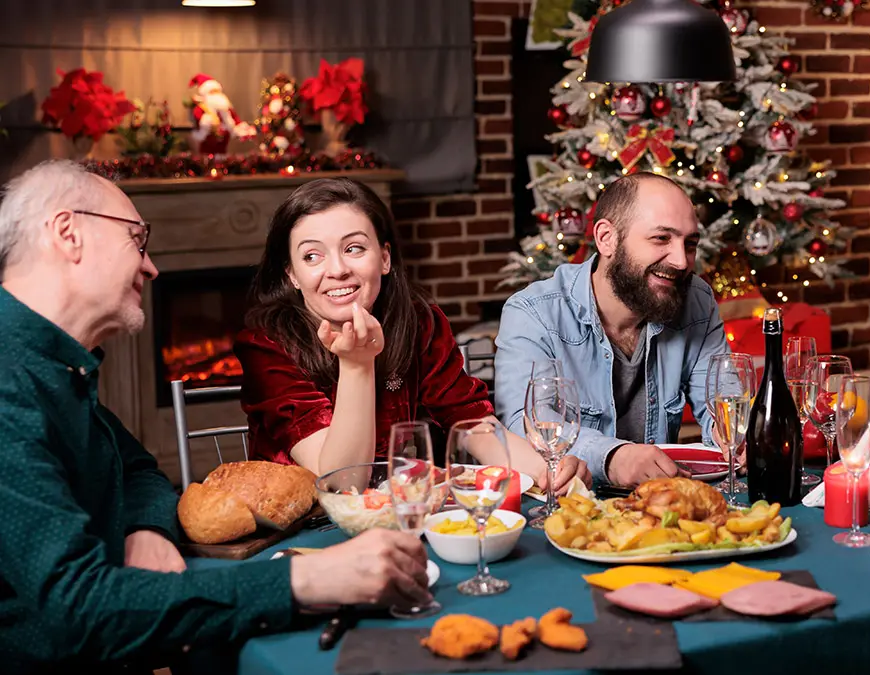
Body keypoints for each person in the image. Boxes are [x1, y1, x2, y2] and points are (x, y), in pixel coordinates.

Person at [0, 161, 432, 673]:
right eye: (138, 239)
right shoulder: (10, 381)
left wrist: (147, 530)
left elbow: (139, 470)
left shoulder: (52, 363)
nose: (150, 266)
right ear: (69, 233)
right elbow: (75, 609)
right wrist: (308, 581)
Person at [235, 178, 589, 492]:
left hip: (406, 513)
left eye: (354, 248)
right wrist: (357, 364)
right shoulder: (267, 344)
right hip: (306, 534)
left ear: (385, 258)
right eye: (312, 256)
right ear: (292, 275)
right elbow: (343, 483)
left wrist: (547, 470)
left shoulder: (417, 320)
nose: (338, 270)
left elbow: (470, 422)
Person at [493, 173, 730, 486]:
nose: (681, 261)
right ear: (606, 238)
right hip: (574, 507)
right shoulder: (533, 313)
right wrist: (613, 457)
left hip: (663, 506)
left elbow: (723, 401)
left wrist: (733, 437)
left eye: (690, 244)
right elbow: (523, 424)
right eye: (661, 238)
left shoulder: (696, 299)